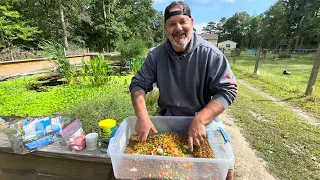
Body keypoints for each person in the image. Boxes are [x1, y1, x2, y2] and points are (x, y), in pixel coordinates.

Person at [129, 1, 238, 179]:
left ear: (192, 23)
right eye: (172, 24)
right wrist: (142, 117)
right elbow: (138, 84)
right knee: (153, 165)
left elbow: (227, 91)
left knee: (227, 167)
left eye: (182, 21)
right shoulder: (156, 56)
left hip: (205, 119)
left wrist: (201, 120)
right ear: (165, 28)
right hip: (168, 118)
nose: (178, 28)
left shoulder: (210, 54)